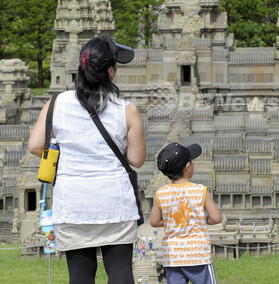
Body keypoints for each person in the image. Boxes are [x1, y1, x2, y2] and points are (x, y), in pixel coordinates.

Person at [28, 36, 146, 284]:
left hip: (73, 202)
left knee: (80, 276)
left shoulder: (56, 104)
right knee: (121, 273)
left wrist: (68, 156)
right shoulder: (127, 109)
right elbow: (136, 159)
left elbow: (35, 145)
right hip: (115, 202)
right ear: (111, 72)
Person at [150, 142, 221, 284]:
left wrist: (174, 221)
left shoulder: (161, 194)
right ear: (188, 167)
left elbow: (154, 221)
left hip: (174, 256)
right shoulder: (201, 191)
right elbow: (216, 218)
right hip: (198, 255)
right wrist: (200, 220)